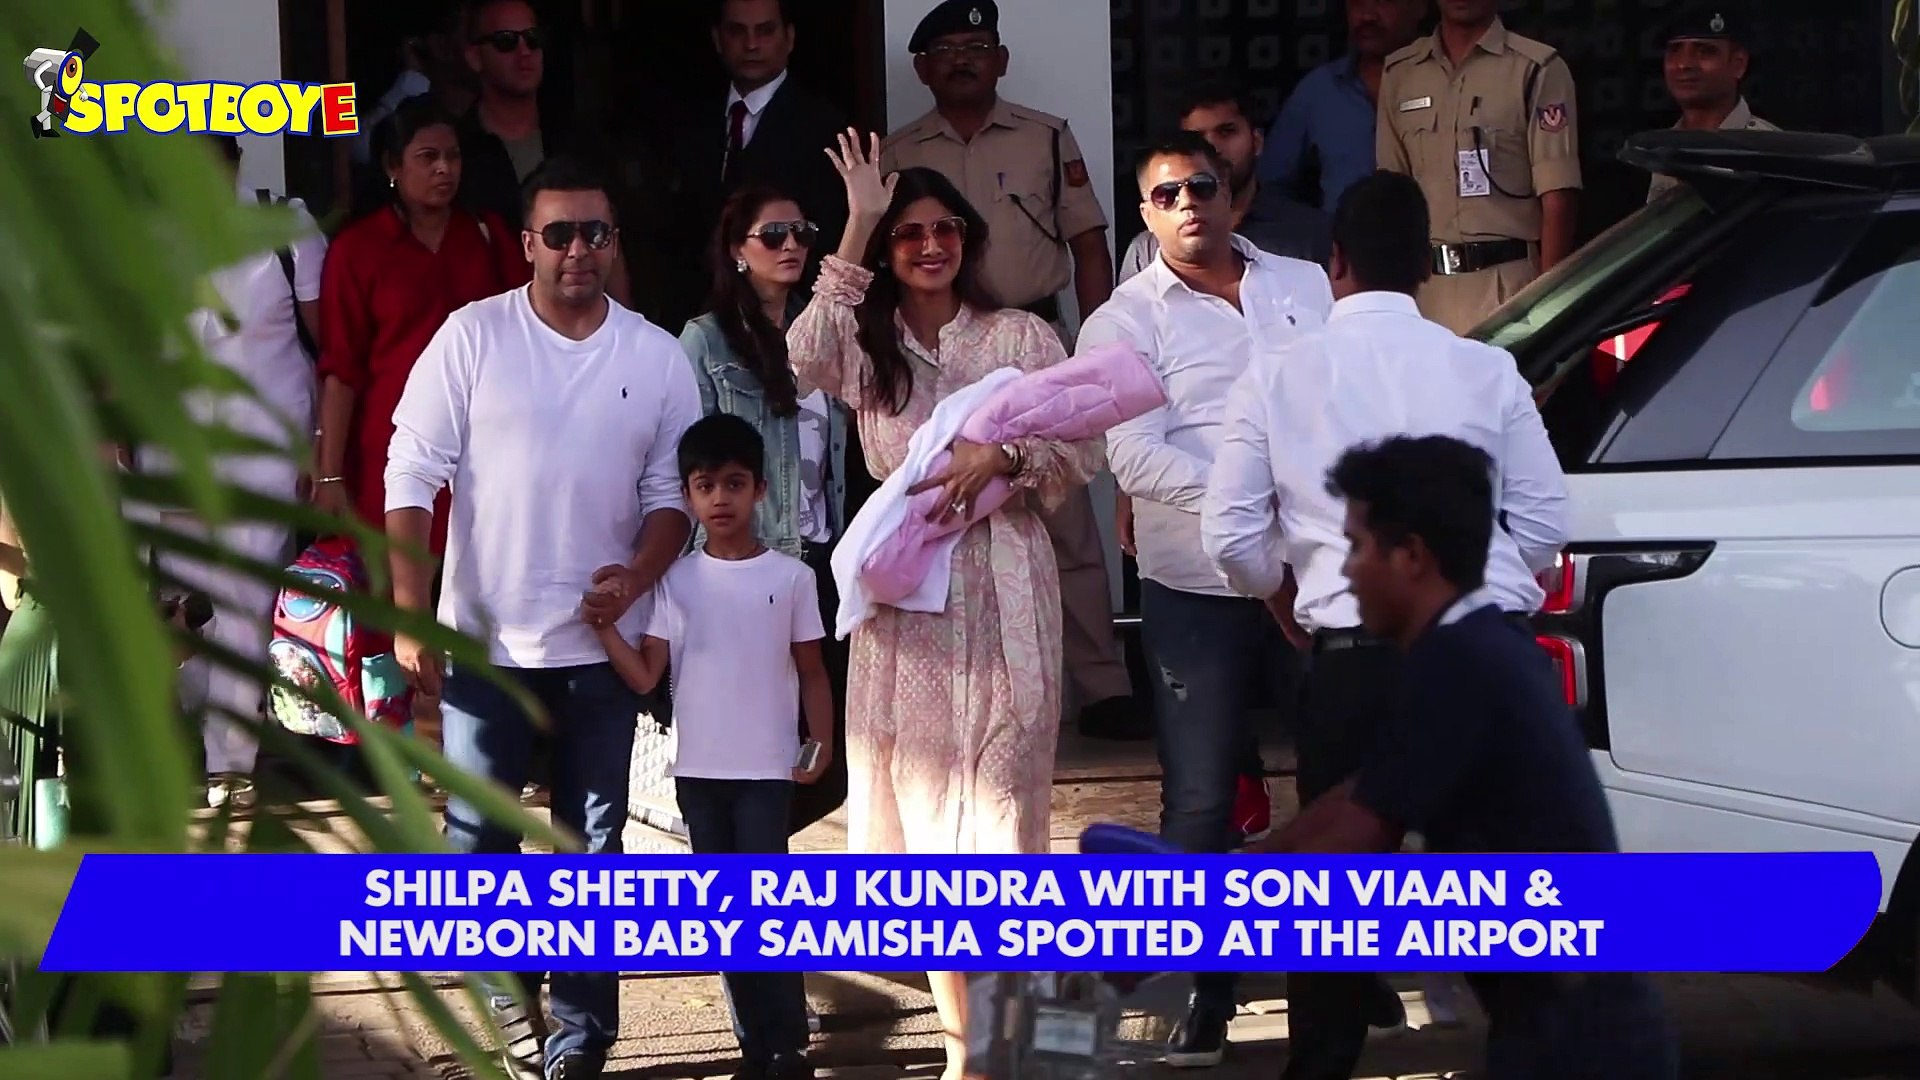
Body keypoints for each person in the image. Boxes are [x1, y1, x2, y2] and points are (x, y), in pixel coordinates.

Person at [1201, 169, 1571, 1079]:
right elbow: (1545, 525)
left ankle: (1322, 1064)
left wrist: (1282, 596)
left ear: (1336, 262)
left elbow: (1230, 534)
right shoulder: (1486, 368)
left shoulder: (1277, 374)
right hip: (1485, 658)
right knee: (1509, 904)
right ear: (1426, 266)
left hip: (1354, 659)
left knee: (1332, 901)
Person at [786, 132, 1103, 1077]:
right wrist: (857, 221)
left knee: (1002, 830)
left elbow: (1081, 450)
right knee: (928, 840)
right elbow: (801, 357)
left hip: (1007, 593)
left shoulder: (1020, 337)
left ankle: (1007, 1042)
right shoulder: (866, 343)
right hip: (905, 608)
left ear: (968, 238)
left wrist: (1003, 456)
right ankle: (969, 1054)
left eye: (945, 230)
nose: (930, 246)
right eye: (910, 233)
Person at [384, 156, 701, 1080]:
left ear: (614, 242)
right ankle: (506, 1005)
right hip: (485, 642)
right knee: (478, 839)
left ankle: (580, 1038)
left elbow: (672, 498)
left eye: (594, 233)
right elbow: (411, 472)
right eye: (558, 234)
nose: (577, 250)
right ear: (527, 244)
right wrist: (409, 614)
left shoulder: (655, 355)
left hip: (602, 650)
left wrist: (636, 578)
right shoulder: (472, 336)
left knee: (591, 846)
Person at [1252, 434, 1676, 1080]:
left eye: (1357, 546)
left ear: (1411, 557)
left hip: (1579, 1042)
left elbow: (1357, 838)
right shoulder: (1472, 645)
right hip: (1563, 1024)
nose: (1347, 571)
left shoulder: (1463, 665)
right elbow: (1359, 797)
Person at [1077, 129, 1335, 1069]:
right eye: (1167, 193)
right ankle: (1203, 995)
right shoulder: (1120, 322)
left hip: (1315, 574)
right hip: (1197, 586)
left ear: (1233, 194)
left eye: (1202, 185)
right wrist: (1250, 495)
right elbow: (1132, 456)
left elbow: (1342, 402)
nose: (1188, 202)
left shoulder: (1303, 284)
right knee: (1199, 801)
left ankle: (1340, 989)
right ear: (1145, 214)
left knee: (1336, 787)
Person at [882, 0, 1141, 743]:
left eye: (976, 46)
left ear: (1001, 59)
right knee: (942, 515)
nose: (963, 60)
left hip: (1030, 341)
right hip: (935, 349)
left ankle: (1102, 684)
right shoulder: (898, 153)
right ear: (921, 69)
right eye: (946, 50)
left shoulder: (1045, 136)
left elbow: (1087, 243)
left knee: (1063, 515)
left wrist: (1092, 349)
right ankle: (962, 687)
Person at [590, 414, 829, 1080]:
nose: (720, 498)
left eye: (734, 483)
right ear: (688, 496)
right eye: (704, 485)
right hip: (698, 774)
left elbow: (812, 670)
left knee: (767, 904)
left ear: (760, 490)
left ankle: (788, 1046)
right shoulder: (676, 581)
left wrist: (820, 743)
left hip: (767, 772)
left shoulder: (793, 578)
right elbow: (647, 675)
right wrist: (605, 629)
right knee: (725, 911)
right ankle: (755, 1047)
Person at [145, 134, 327, 809]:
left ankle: (229, 765)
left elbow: (325, 340)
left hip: (266, 448)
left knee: (245, 601)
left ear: (233, 164)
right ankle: (206, 733)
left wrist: (321, 447)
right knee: (185, 606)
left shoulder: (285, 227)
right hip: (174, 451)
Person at [679, 184, 854, 834]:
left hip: (816, 560)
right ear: (737, 250)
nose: (792, 246)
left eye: (803, 233)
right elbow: (686, 462)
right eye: (773, 235)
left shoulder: (822, 327)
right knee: (744, 750)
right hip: (739, 567)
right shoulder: (704, 340)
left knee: (819, 752)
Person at [315, 95, 528, 558]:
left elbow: (530, 336)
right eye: (428, 157)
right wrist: (330, 475)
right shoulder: (357, 250)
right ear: (393, 166)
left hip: (484, 450)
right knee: (395, 588)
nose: (444, 169)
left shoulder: (488, 235)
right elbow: (341, 371)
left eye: (453, 156)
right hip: (389, 452)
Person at [1375, 0, 1581, 335]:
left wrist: (1547, 307)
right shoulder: (1401, 73)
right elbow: (1391, 199)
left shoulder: (1535, 67)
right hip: (1427, 293)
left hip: (1510, 289)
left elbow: (1558, 197)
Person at [668, 0, 851, 329]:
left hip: (789, 321)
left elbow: (829, 238)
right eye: (737, 31)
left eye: (765, 31)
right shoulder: (690, 122)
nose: (751, 44)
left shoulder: (824, 127)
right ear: (718, 39)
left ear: (789, 38)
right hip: (697, 318)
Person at [1118, 79, 1332, 280]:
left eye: (1226, 132)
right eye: (1196, 139)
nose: (1213, 148)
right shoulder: (1148, 249)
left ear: (1257, 141)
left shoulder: (1312, 233)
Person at [1257, 0, 1428, 211]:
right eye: (1356, 3)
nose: (1367, 16)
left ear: (1420, 7)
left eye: (1383, 2)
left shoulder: (1447, 83)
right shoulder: (1319, 89)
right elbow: (1270, 184)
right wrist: (1311, 227)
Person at [1648, 5, 1777, 203]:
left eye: (1705, 51)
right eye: (1675, 50)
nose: (1684, 64)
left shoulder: (1770, 152)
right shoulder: (1664, 150)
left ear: (1738, 63)